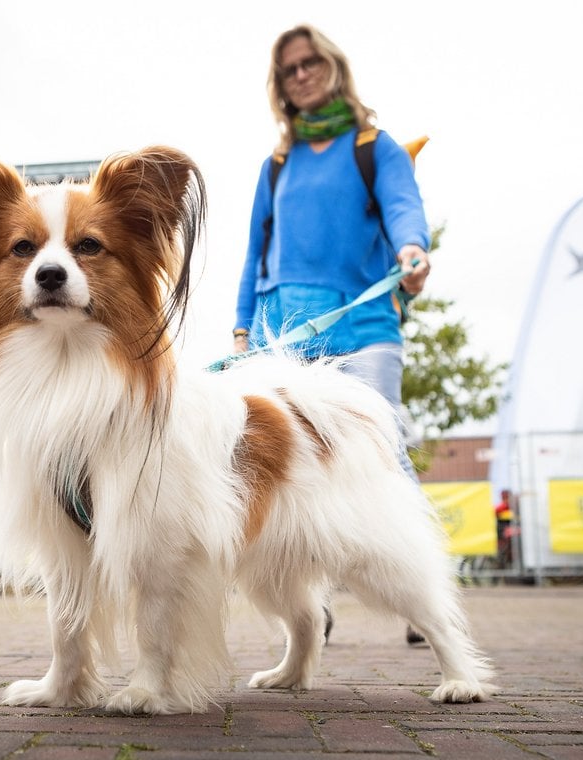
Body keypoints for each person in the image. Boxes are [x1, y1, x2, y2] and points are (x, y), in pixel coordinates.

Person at [233, 24, 432, 643]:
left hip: (365, 325)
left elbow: (404, 207)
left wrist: (412, 251)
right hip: (284, 335)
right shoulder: (277, 165)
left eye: (310, 62)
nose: (301, 75)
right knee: (289, 469)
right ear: (281, 86)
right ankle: (308, 608)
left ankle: (420, 595)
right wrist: (242, 328)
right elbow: (254, 252)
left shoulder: (375, 147)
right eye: (288, 70)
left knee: (382, 449)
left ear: (333, 65)